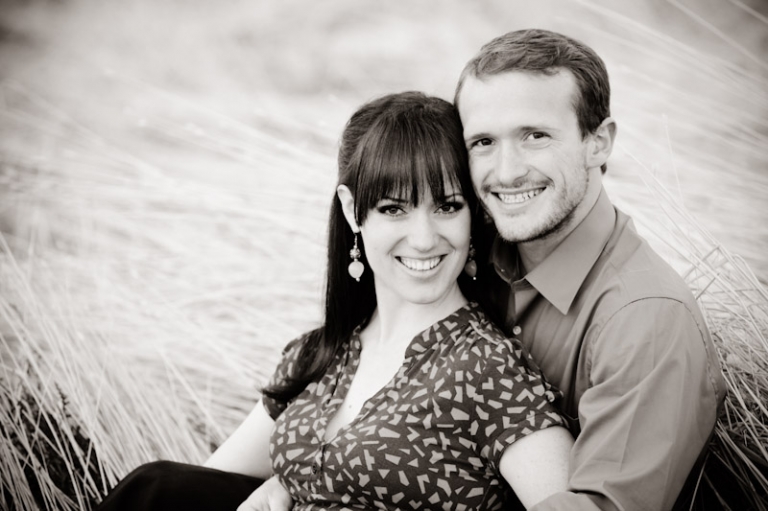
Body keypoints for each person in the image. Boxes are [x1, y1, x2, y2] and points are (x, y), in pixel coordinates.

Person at [95, 91, 575, 511]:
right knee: (157, 487)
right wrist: (290, 484)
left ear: (474, 215)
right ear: (352, 209)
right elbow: (203, 483)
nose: (424, 239)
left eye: (447, 207)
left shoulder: (484, 369)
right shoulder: (319, 357)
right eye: (393, 209)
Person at [454, 28, 727, 510]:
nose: (507, 170)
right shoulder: (462, 257)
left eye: (535, 136)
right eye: (483, 142)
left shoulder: (646, 322)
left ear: (598, 143)